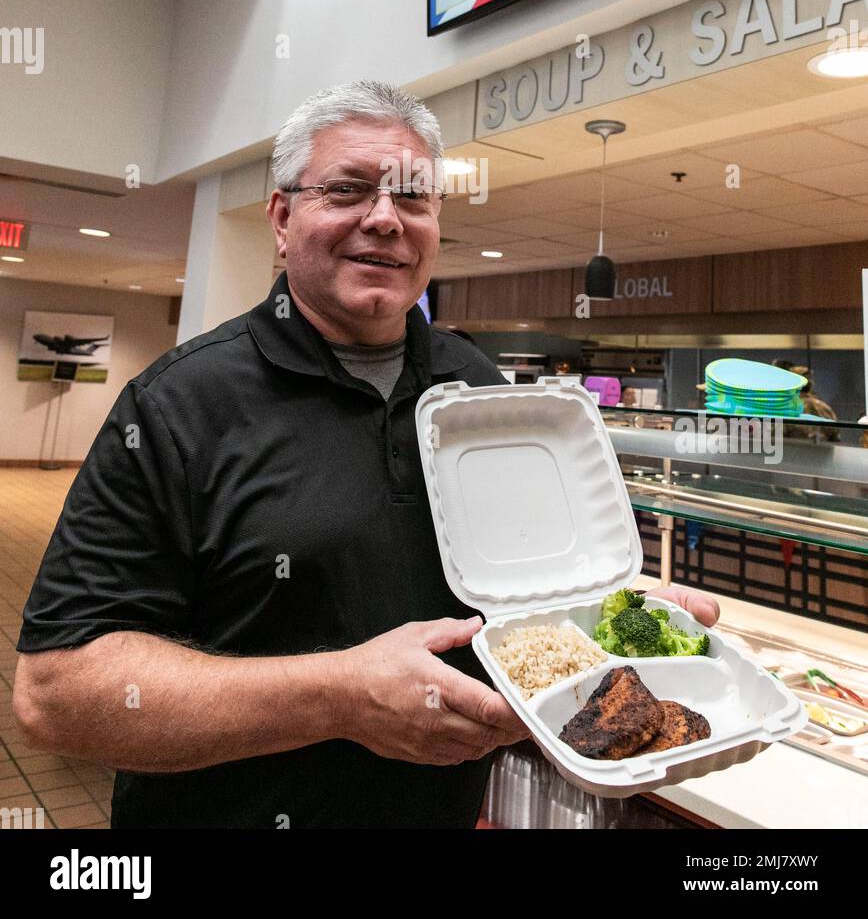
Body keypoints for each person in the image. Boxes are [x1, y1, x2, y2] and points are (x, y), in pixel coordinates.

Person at [13, 80, 719, 829]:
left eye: (414, 199)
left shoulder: (479, 387)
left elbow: (526, 597)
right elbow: (57, 695)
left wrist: (613, 613)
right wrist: (339, 697)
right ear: (282, 218)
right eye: (348, 189)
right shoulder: (178, 406)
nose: (385, 219)